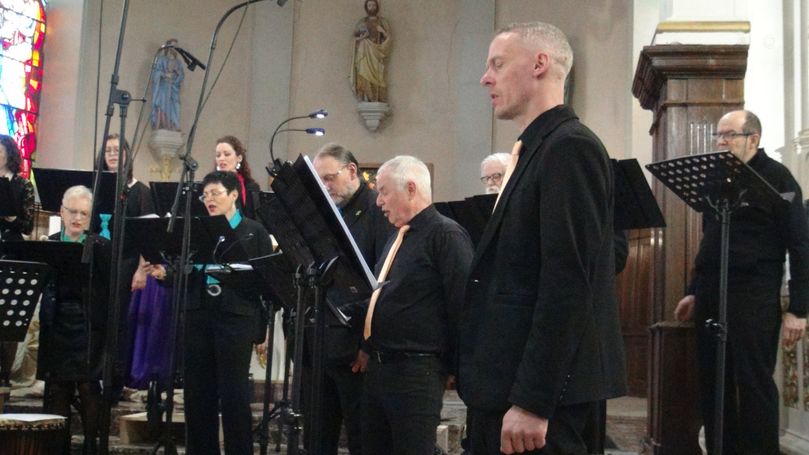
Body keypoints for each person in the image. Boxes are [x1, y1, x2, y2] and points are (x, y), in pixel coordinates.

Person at [457, 22, 626, 455]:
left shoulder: (569, 148)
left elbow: (567, 285)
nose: (486, 78)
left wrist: (534, 400)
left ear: (539, 64)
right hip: (505, 383)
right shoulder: (535, 149)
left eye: (497, 64)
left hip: (537, 401)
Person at [673, 110, 809, 454]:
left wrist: (799, 308)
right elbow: (710, 241)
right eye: (718, 135)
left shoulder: (778, 178)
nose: (721, 142)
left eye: (729, 135)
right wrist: (693, 291)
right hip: (711, 290)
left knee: (753, 383)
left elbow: (800, 244)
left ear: (754, 139)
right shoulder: (716, 179)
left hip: (754, 293)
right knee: (712, 381)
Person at [152, 170, 273, 454]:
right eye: (205, 195)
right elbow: (185, 270)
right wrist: (166, 274)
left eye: (216, 193)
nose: (209, 199)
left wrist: (263, 327)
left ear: (234, 195)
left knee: (234, 394)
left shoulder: (254, 231)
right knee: (197, 392)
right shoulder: (196, 230)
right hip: (198, 313)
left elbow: (267, 281)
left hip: (236, 317)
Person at [360, 155, 474, 455]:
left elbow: (463, 305)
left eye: (383, 191)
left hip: (416, 370)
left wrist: (453, 368)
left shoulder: (446, 235)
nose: (378, 201)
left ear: (410, 188)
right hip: (381, 367)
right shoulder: (398, 236)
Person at [309, 143, 395, 454]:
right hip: (324, 340)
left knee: (361, 435)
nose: (324, 186)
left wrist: (366, 344)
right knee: (318, 433)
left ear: (351, 171)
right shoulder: (328, 212)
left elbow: (383, 280)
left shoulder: (377, 210)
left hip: (356, 345)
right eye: (319, 180)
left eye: (329, 178)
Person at [39, 185, 111, 454]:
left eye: (84, 213)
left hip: (88, 324)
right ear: (61, 211)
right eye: (72, 212)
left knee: (88, 386)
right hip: (56, 321)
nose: (77, 218)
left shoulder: (100, 246)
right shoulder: (50, 244)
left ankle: (91, 445)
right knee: (58, 387)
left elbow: (108, 289)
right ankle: (58, 446)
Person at [0, 135, 35, 390]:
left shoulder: (23, 185)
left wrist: (12, 219)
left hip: (12, 251)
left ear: (9, 154)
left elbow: (28, 225)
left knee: (7, 315)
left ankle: (4, 373)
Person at [351, 0, 391, 103]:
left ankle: (377, 97)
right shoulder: (362, 22)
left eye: (373, 5)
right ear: (366, 7)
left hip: (377, 52)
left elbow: (388, 39)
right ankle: (366, 95)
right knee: (364, 72)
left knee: (378, 76)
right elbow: (354, 38)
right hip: (364, 52)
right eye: (369, 5)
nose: (372, 7)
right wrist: (362, 38)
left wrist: (382, 31)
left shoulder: (382, 21)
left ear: (377, 7)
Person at [215, 135, 260, 219]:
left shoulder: (250, 186)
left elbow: (253, 219)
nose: (221, 158)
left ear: (239, 158)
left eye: (227, 154)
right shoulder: (210, 184)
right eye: (218, 155)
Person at [150, 38, 184, 131]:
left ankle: (173, 125)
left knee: (175, 105)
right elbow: (155, 72)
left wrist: (177, 74)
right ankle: (163, 125)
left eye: (176, 47)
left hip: (173, 87)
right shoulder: (161, 59)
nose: (174, 49)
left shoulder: (178, 63)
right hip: (163, 86)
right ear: (168, 47)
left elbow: (181, 76)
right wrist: (164, 74)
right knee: (162, 104)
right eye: (173, 46)